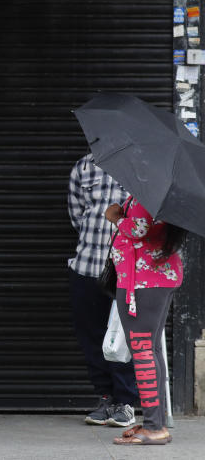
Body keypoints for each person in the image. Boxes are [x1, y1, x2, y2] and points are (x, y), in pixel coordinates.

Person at [105, 197, 184, 445]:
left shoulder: (150, 191)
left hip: (145, 280)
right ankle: (156, 423)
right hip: (152, 276)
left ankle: (153, 427)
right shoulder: (160, 190)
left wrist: (117, 217)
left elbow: (139, 228)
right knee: (152, 349)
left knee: (142, 350)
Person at [67, 154, 137, 427]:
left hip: (126, 270)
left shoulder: (143, 164)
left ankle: (125, 401)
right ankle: (106, 397)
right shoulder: (84, 166)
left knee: (123, 337)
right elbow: (77, 214)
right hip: (86, 264)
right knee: (91, 335)